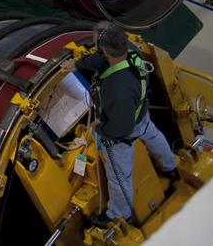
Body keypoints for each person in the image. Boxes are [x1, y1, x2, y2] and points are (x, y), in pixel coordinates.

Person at [70, 25, 178, 228]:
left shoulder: (118, 88)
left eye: (97, 45)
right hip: (141, 114)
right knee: (154, 136)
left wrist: (99, 129)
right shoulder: (129, 49)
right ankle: (170, 167)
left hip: (122, 131)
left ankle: (120, 214)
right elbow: (101, 59)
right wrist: (78, 64)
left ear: (105, 50)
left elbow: (122, 129)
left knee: (120, 175)